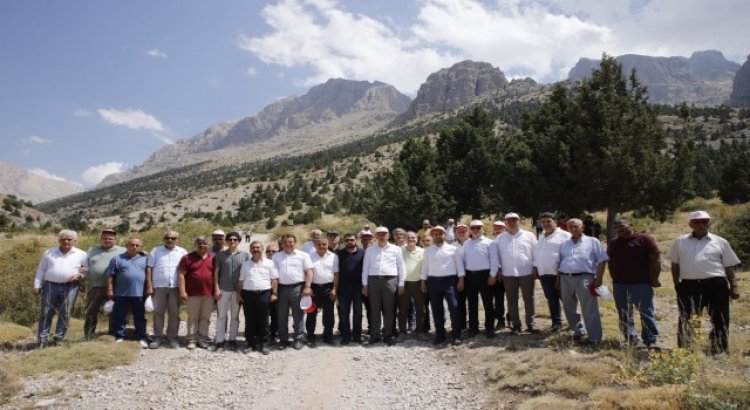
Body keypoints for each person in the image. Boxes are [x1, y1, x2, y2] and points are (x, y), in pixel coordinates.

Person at [666, 211, 741, 354]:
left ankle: (719, 349)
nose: (701, 225)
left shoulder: (720, 241)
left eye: (704, 222)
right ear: (690, 224)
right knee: (687, 318)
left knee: (720, 318)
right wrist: (677, 285)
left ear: (709, 223)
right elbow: (675, 264)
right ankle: (685, 350)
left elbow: (728, 266)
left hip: (716, 284)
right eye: (697, 222)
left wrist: (734, 286)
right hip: (689, 286)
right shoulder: (680, 241)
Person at [606, 217, 661, 348]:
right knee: (624, 313)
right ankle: (630, 338)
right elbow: (610, 262)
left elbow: (655, 259)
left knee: (646, 312)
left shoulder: (644, 239)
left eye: (622, 226)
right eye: (616, 228)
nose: (619, 229)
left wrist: (654, 278)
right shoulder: (613, 243)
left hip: (641, 283)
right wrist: (614, 278)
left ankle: (650, 340)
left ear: (631, 225)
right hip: (620, 284)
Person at [33, 229, 89, 348]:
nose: (66, 241)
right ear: (59, 240)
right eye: (63, 239)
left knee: (65, 313)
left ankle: (59, 338)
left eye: (69, 239)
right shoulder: (49, 252)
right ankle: (42, 341)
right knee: (46, 313)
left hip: (71, 287)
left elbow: (86, 269)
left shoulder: (82, 254)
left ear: (75, 240)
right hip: (49, 286)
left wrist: (80, 275)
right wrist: (37, 285)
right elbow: (41, 269)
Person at [558, 218, 609, 344]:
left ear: (583, 227)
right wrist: (558, 279)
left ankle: (595, 338)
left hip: (585, 277)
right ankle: (578, 331)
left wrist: (599, 278)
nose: (573, 229)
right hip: (565, 277)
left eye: (576, 226)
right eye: (570, 227)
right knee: (569, 307)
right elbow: (560, 262)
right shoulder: (564, 244)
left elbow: (602, 260)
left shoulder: (592, 241)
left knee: (589, 307)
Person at [492, 213, 539, 335]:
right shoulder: (500, 238)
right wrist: (499, 270)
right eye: (509, 221)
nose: (512, 222)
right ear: (505, 223)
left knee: (529, 299)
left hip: (527, 273)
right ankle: (516, 325)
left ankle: (531, 324)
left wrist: (535, 267)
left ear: (519, 221)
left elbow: (536, 253)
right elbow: (495, 256)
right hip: (508, 274)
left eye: (514, 220)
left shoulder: (529, 235)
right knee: (511, 300)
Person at [421, 226, 465, 345]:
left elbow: (459, 266)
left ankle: (456, 334)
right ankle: (440, 334)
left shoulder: (453, 249)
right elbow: (425, 267)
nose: (437, 235)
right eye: (434, 234)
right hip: (433, 281)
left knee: (454, 307)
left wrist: (461, 280)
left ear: (444, 234)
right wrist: (423, 281)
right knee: (436, 309)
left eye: (439, 233)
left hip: (450, 281)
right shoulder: (428, 250)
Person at [362, 226, 406, 346]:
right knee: (374, 309)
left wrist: (401, 283)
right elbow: (365, 268)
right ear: (376, 236)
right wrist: (365, 285)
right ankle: (375, 335)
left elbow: (401, 267)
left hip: (390, 280)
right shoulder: (370, 250)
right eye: (379, 234)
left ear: (388, 236)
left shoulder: (396, 249)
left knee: (389, 309)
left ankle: (388, 335)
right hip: (373, 281)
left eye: (384, 234)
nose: (382, 236)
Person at [146, 230, 188, 349]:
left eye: (173, 238)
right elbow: (149, 268)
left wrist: (184, 288)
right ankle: (157, 337)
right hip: (159, 286)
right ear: (164, 239)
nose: (170, 240)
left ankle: (172, 337)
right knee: (158, 313)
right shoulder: (156, 250)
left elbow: (186, 270)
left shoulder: (183, 252)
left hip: (175, 286)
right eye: (167, 238)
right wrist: (149, 285)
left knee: (174, 313)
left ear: (177, 240)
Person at [273, 234, 314, 350]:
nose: (288, 244)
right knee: (281, 316)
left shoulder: (303, 255)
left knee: (298, 315)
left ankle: (298, 339)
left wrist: (307, 286)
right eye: (285, 242)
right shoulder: (277, 256)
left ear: (295, 242)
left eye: (290, 242)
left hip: (298, 288)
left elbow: (310, 271)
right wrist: (274, 292)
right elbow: (274, 276)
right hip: (281, 288)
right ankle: (283, 340)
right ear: (281, 244)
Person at [106, 237, 149, 348]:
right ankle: (120, 336)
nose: (134, 247)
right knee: (119, 316)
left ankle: (141, 337)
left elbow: (149, 276)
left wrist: (150, 288)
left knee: (139, 317)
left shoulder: (145, 259)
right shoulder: (117, 259)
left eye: (137, 245)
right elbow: (110, 276)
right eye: (131, 245)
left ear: (140, 247)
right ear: (127, 246)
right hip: (121, 294)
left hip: (139, 294)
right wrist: (110, 290)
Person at [533, 212, 571, 332]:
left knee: (567, 300)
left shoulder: (565, 235)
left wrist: (560, 274)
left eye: (548, 221)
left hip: (560, 274)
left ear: (555, 221)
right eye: (543, 222)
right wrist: (536, 268)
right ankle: (557, 323)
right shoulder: (542, 236)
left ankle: (574, 324)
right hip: (545, 275)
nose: (545, 224)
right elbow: (538, 254)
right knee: (552, 300)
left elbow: (568, 256)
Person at [238, 240, 278, 355]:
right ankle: (251, 343)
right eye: (253, 248)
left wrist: (274, 293)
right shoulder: (245, 264)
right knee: (249, 320)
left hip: (264, 294)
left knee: (264, 320)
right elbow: (241, 280)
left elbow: (274, 279)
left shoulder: (270, 263)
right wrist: (238, 295)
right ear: (250, 250)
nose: (256, 250)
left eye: (258, 248)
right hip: (248, 294)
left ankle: (264, 344)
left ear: (262, 249)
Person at [84, 228, 125, 338]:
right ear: (101, 239)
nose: (107, 240)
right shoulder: (92, 250)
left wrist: (143, 253)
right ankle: (88, 334)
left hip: (115, 287)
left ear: (116, 239)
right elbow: (84, 264)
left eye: (110, 238)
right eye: (105, 238)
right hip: (95, 287)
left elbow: (135, 255)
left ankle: (113, 334)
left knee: (114, 311)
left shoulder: (123, 250)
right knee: (91, 311)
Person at [212, 231, 249, 351]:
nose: (232, 242)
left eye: (235, 240)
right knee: (222, 316)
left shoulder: (245, 255)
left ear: (238, 241)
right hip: (223, 290)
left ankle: (232, 339)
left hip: (238, 291)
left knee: (235, 316)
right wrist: (216, 288)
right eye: (230, 240)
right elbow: (216, 272)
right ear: (226, 241)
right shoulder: (220, 255)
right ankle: (220, 341)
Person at [178, 236, 215, 350]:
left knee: (205, 317)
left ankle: (202, 338)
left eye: (204, 243)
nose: (202, 245)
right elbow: (181, 275)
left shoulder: (213, 258)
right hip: (192, 293)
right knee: (192, 317)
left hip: (209, 293)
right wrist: (182, 291)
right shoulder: (187, 258)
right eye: (199, 243)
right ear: (195, 245)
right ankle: (192, 339)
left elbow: (217, 275)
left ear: (208, 245)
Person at [463, 220, 495, 338]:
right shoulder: (467, 243)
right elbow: (464, 260)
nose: (475, 230)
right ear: (470, 230)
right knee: (472, 303)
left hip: (485, 275)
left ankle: (490, 328)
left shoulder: (490, 243)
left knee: (488, 303)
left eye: (478, 228)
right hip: (470, 275)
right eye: (473, 228)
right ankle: (473, 328)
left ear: (483, 229)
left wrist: (493, 275)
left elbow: (494, 260)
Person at [307, 237, 339, 346]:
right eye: (319, 244)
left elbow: (336, 274)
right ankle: (310, 336)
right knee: (311, 313)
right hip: (314, 288)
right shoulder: (309, 256)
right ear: (315, 245)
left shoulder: (333, 256)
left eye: (324, 244)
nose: (321, 246)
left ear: (327, 245)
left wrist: (335, 289)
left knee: (329, 313)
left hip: (328, 288)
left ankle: (328, 336)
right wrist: (307, 287)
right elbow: (306, 273)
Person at [337, 233, 365, 344]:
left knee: (358, 313)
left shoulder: (363, 253)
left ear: (356, 240)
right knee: (344, 313)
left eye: (352, 240)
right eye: (347, 240)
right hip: (343, 288)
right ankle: (346, 336)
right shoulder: (339, 254)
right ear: (344, 241)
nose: (349, 242)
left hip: (358, 288)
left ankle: (357, 336)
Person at [400, 231, 426, 337]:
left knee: (420, 309)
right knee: (402, 309)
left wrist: (423, 282)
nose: (411, 239)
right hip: (404, 283)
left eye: (413, 237)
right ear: (404, 239)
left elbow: (425, 268)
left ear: (417, 239)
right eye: (408, 237)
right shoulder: (399, 251)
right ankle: (402, 331)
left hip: (418, 283)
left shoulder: (423, 251)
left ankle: (419, 331)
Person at [490, 220, 508, 329]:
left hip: (509, 272)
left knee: (511, 298)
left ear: (504, 228)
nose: (497, 228)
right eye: (495, 227)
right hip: (497, 273)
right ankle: (500, 319)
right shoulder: (491, 241)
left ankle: (511, 318)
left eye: (500, 227)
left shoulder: (508, 239)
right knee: (498, 298)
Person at [454, 223, 470, 332]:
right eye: (459, 231)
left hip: (471, 275)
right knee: (460, 301)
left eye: (464, 231)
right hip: (458, 276)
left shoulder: (473, 243)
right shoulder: (452, 246)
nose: (461, 233)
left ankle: (474, 324)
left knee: (473, 301)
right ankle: (462, 324)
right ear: (455, 233)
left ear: (468, 232)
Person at [264, 243, 280, 342]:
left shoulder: (280, 262)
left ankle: (273, 333)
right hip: (264, 291)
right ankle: (262, 334)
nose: (271, 253)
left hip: (278, 291)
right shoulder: (262, 262)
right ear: (265, 252)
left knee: (276, 314)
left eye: (273, 251)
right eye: (269, 251)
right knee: (264, 314)